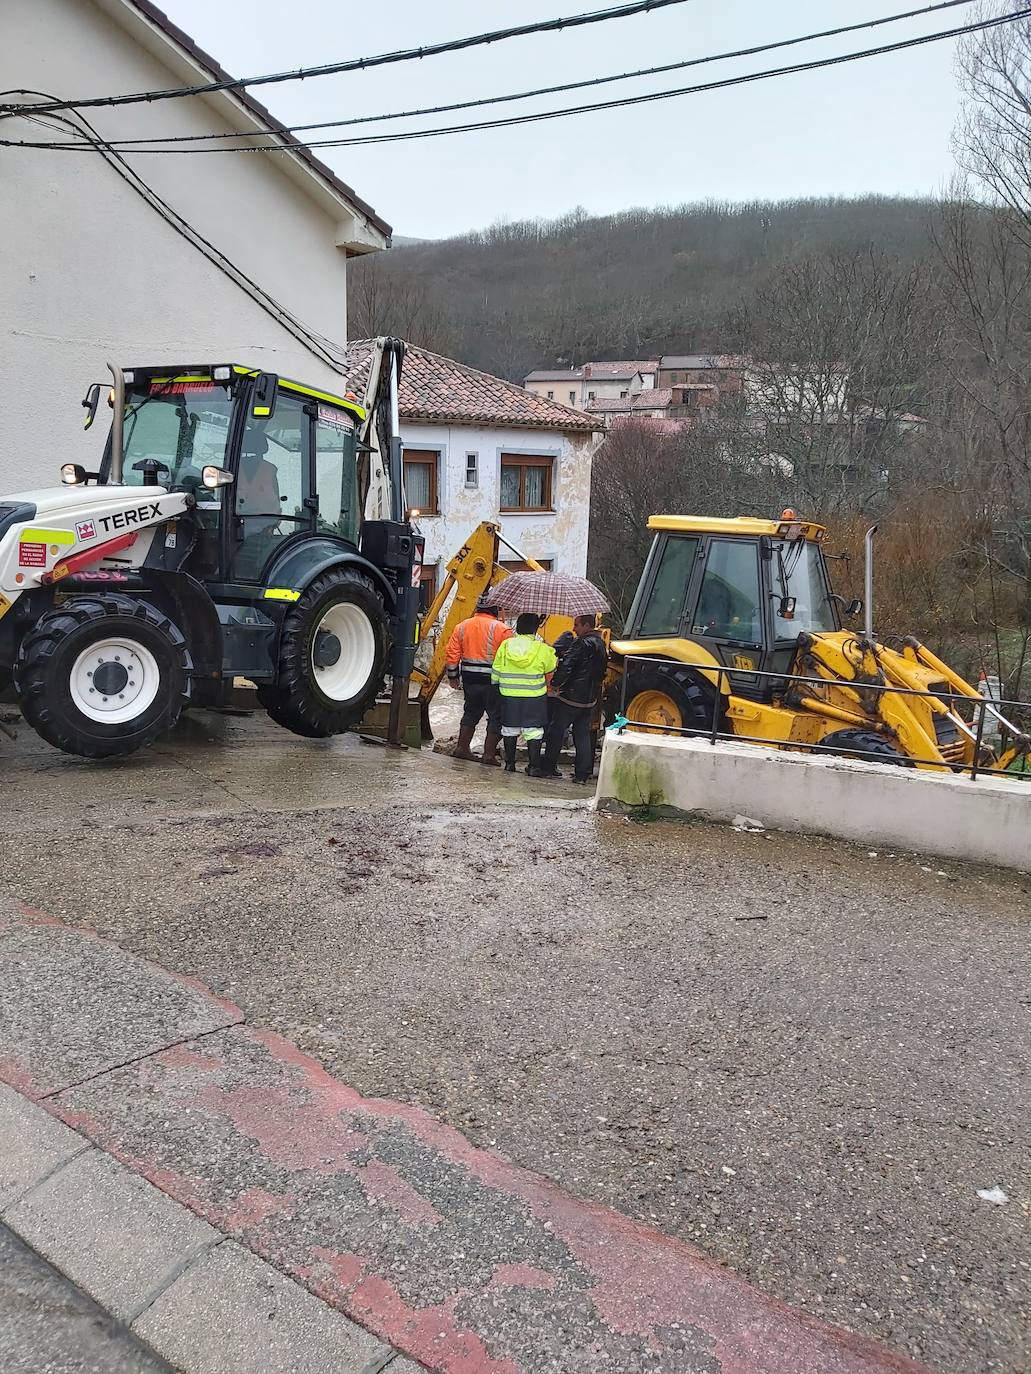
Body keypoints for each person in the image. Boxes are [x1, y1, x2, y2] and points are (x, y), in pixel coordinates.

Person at [445, 596, 513, 763]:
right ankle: (488, 755)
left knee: (471, 712)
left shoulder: (461, 626)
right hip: (493, 680)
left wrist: (453, 677)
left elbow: (452, 654)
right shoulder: (503, 629)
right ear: (494, 610)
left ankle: (461, 748)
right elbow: (509, 657)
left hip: (469, 679)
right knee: (496, 716)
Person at [542, 615, 608, 784]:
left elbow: (567, 665)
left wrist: (556, 683)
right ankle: (582, 773)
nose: (574, 629)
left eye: (577, 625)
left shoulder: (581, 643)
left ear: (587, 625)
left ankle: (548, 767)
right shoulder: (601, 644)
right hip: (589, 699)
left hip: (571, 697)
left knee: (556, 730)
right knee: (582, 735)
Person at [491, 613, 557, 776]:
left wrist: (496, 689)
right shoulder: (542, 648)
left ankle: (510, 764)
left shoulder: (506, 646)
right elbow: (551, 668)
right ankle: (534, 767)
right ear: (535, 629)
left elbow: (496, 672)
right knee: (534, 731)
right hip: (534, 697)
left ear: (518, 627)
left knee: (509, 729)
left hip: (508, 694)